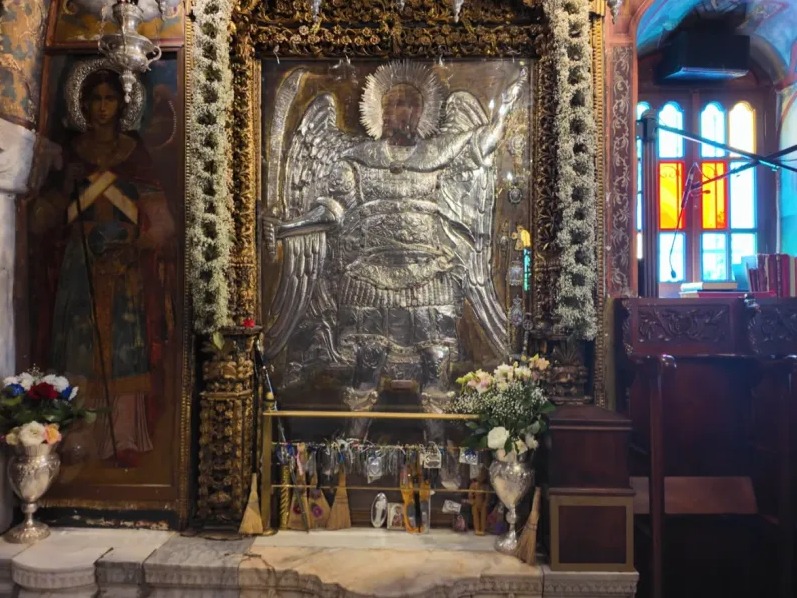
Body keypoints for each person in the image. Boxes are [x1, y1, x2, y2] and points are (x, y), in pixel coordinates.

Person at [30, 68, 174, 468]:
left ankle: (122, 436)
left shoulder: (135, 154)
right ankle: (78, 436)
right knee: (79, 345)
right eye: (96, 99)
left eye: (110, 98)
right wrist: (65, 187)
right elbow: (42, 220)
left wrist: (136, 247)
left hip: (126, 267)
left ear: (122, 106)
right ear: (84, 105)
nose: (103, 107)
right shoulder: (71, 154)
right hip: (80, 266)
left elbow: (161, 221)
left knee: (126, 349)